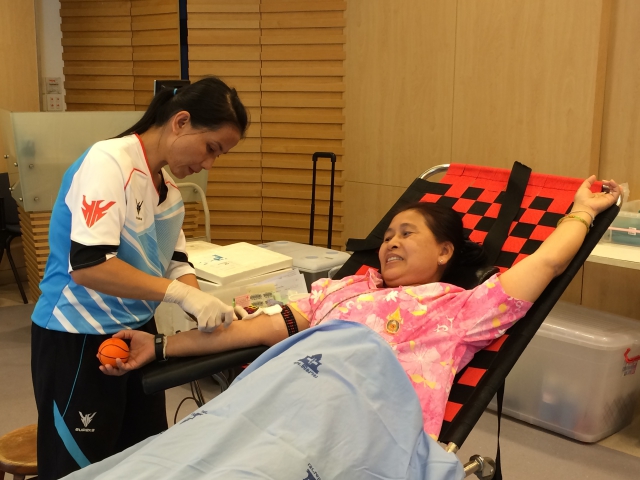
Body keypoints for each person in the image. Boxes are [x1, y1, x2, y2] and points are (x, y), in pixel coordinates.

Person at [101, 175, 620, 441]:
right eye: (388, 235)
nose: (390, 242)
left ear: (445, 252)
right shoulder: (341, 288)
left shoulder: (460, 309)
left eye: (407, 234)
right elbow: (256, 331)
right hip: (277, 402)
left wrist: (581, 211)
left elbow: (547, 262)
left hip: (352, 424)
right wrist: (162, 345)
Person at [31, 76, 248, 479]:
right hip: (78, 337)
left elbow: (175, 263)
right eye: (211, 148)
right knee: (80, 467)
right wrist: (182, 297)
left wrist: (207, 309)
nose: (209, 164)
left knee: (141, 460)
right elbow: (89, 265)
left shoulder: (169, 192)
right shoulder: (108, 162)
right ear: (181, 122)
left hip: (139, 339)